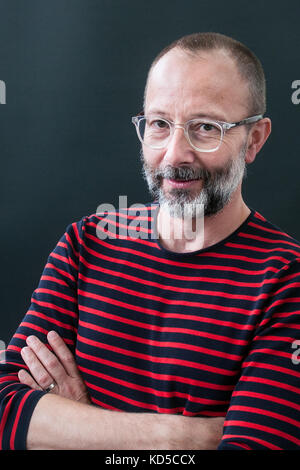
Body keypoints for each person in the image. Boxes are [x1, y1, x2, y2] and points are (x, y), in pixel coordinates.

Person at [0, 32, 299, 451]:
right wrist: (184, 436)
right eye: (160, 123)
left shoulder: (286, 282)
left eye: (205, 127)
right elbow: (4, 412)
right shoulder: (88, 243)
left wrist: (78, 427)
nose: (175, 154)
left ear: (254, 140)